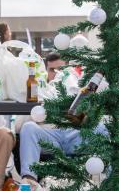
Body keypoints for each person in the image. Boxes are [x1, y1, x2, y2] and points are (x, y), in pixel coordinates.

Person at [17, 52, 98, 182]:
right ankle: (29, 184)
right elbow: (18, 127)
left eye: (61, 70)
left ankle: (112, 188)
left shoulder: (75, 86)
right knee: (28, 128)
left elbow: (89, 119)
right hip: (49, 137)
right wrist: (36, 113)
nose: (57, 74)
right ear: (45, 71)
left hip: (74, 135)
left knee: (103, 129)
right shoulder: (36, 90)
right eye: (52, 70)